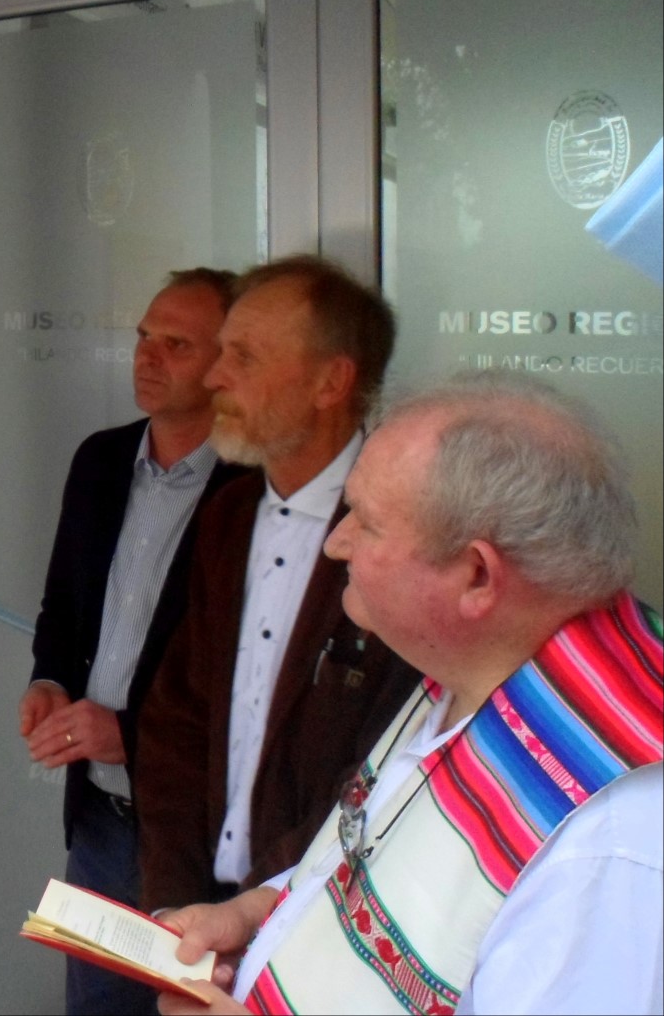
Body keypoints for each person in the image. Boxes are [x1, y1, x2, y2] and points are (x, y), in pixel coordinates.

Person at [156, 372, 662, 1015]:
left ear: (476, 575)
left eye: (365, 523)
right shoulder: (485, 669)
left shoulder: (609, 837)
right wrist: (259, 913)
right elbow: (390, 856)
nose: (335, 542)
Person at [134, 255, 421, 913]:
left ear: (331, 382)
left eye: (244, 356)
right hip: (200, 910)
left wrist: (259, 912)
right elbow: (177, 721)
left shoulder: (405, 537)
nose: (214, 377)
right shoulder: (228, 516)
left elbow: (386, 759)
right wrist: (175, 904)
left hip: (321, 914)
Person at [21, 268, 246, 1015]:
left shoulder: (254, 492)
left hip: (202, 834)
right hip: (100, 818)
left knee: (192, 1006)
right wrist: (48, 681)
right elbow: (63, 606)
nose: (147, 357)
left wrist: (133, 736)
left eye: (176, 344)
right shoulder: (100, 461)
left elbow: (254, 679)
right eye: (144, 336)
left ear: (227, 362)